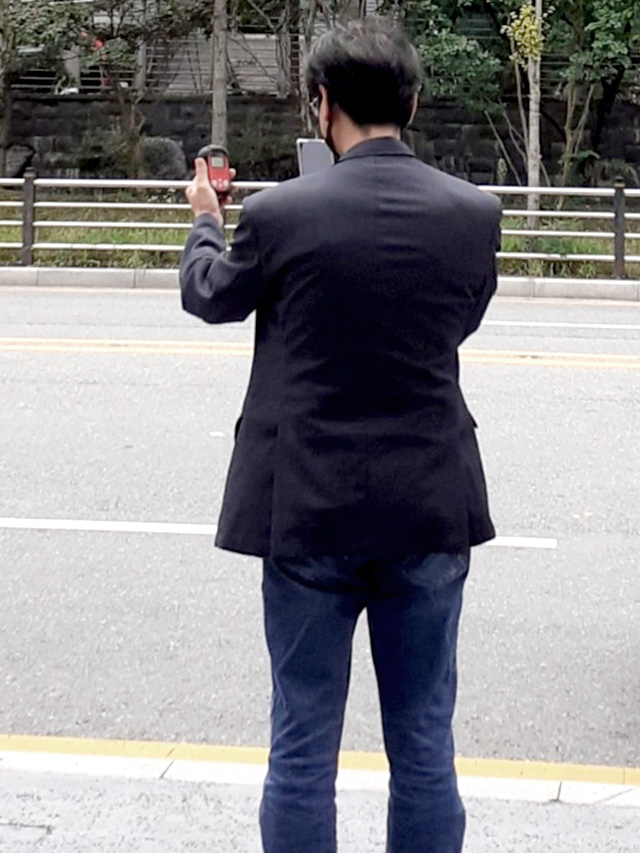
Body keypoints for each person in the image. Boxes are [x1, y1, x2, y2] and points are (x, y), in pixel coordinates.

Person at [180, 16, 501, 853]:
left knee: (302, 745)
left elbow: (210, 295)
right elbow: (458, 322)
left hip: (308, 508)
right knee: (424, 745)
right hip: (428, 505)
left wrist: (207, 219)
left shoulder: (282, 214)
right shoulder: (473, 214)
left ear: (321, 104)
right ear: (413, 103)